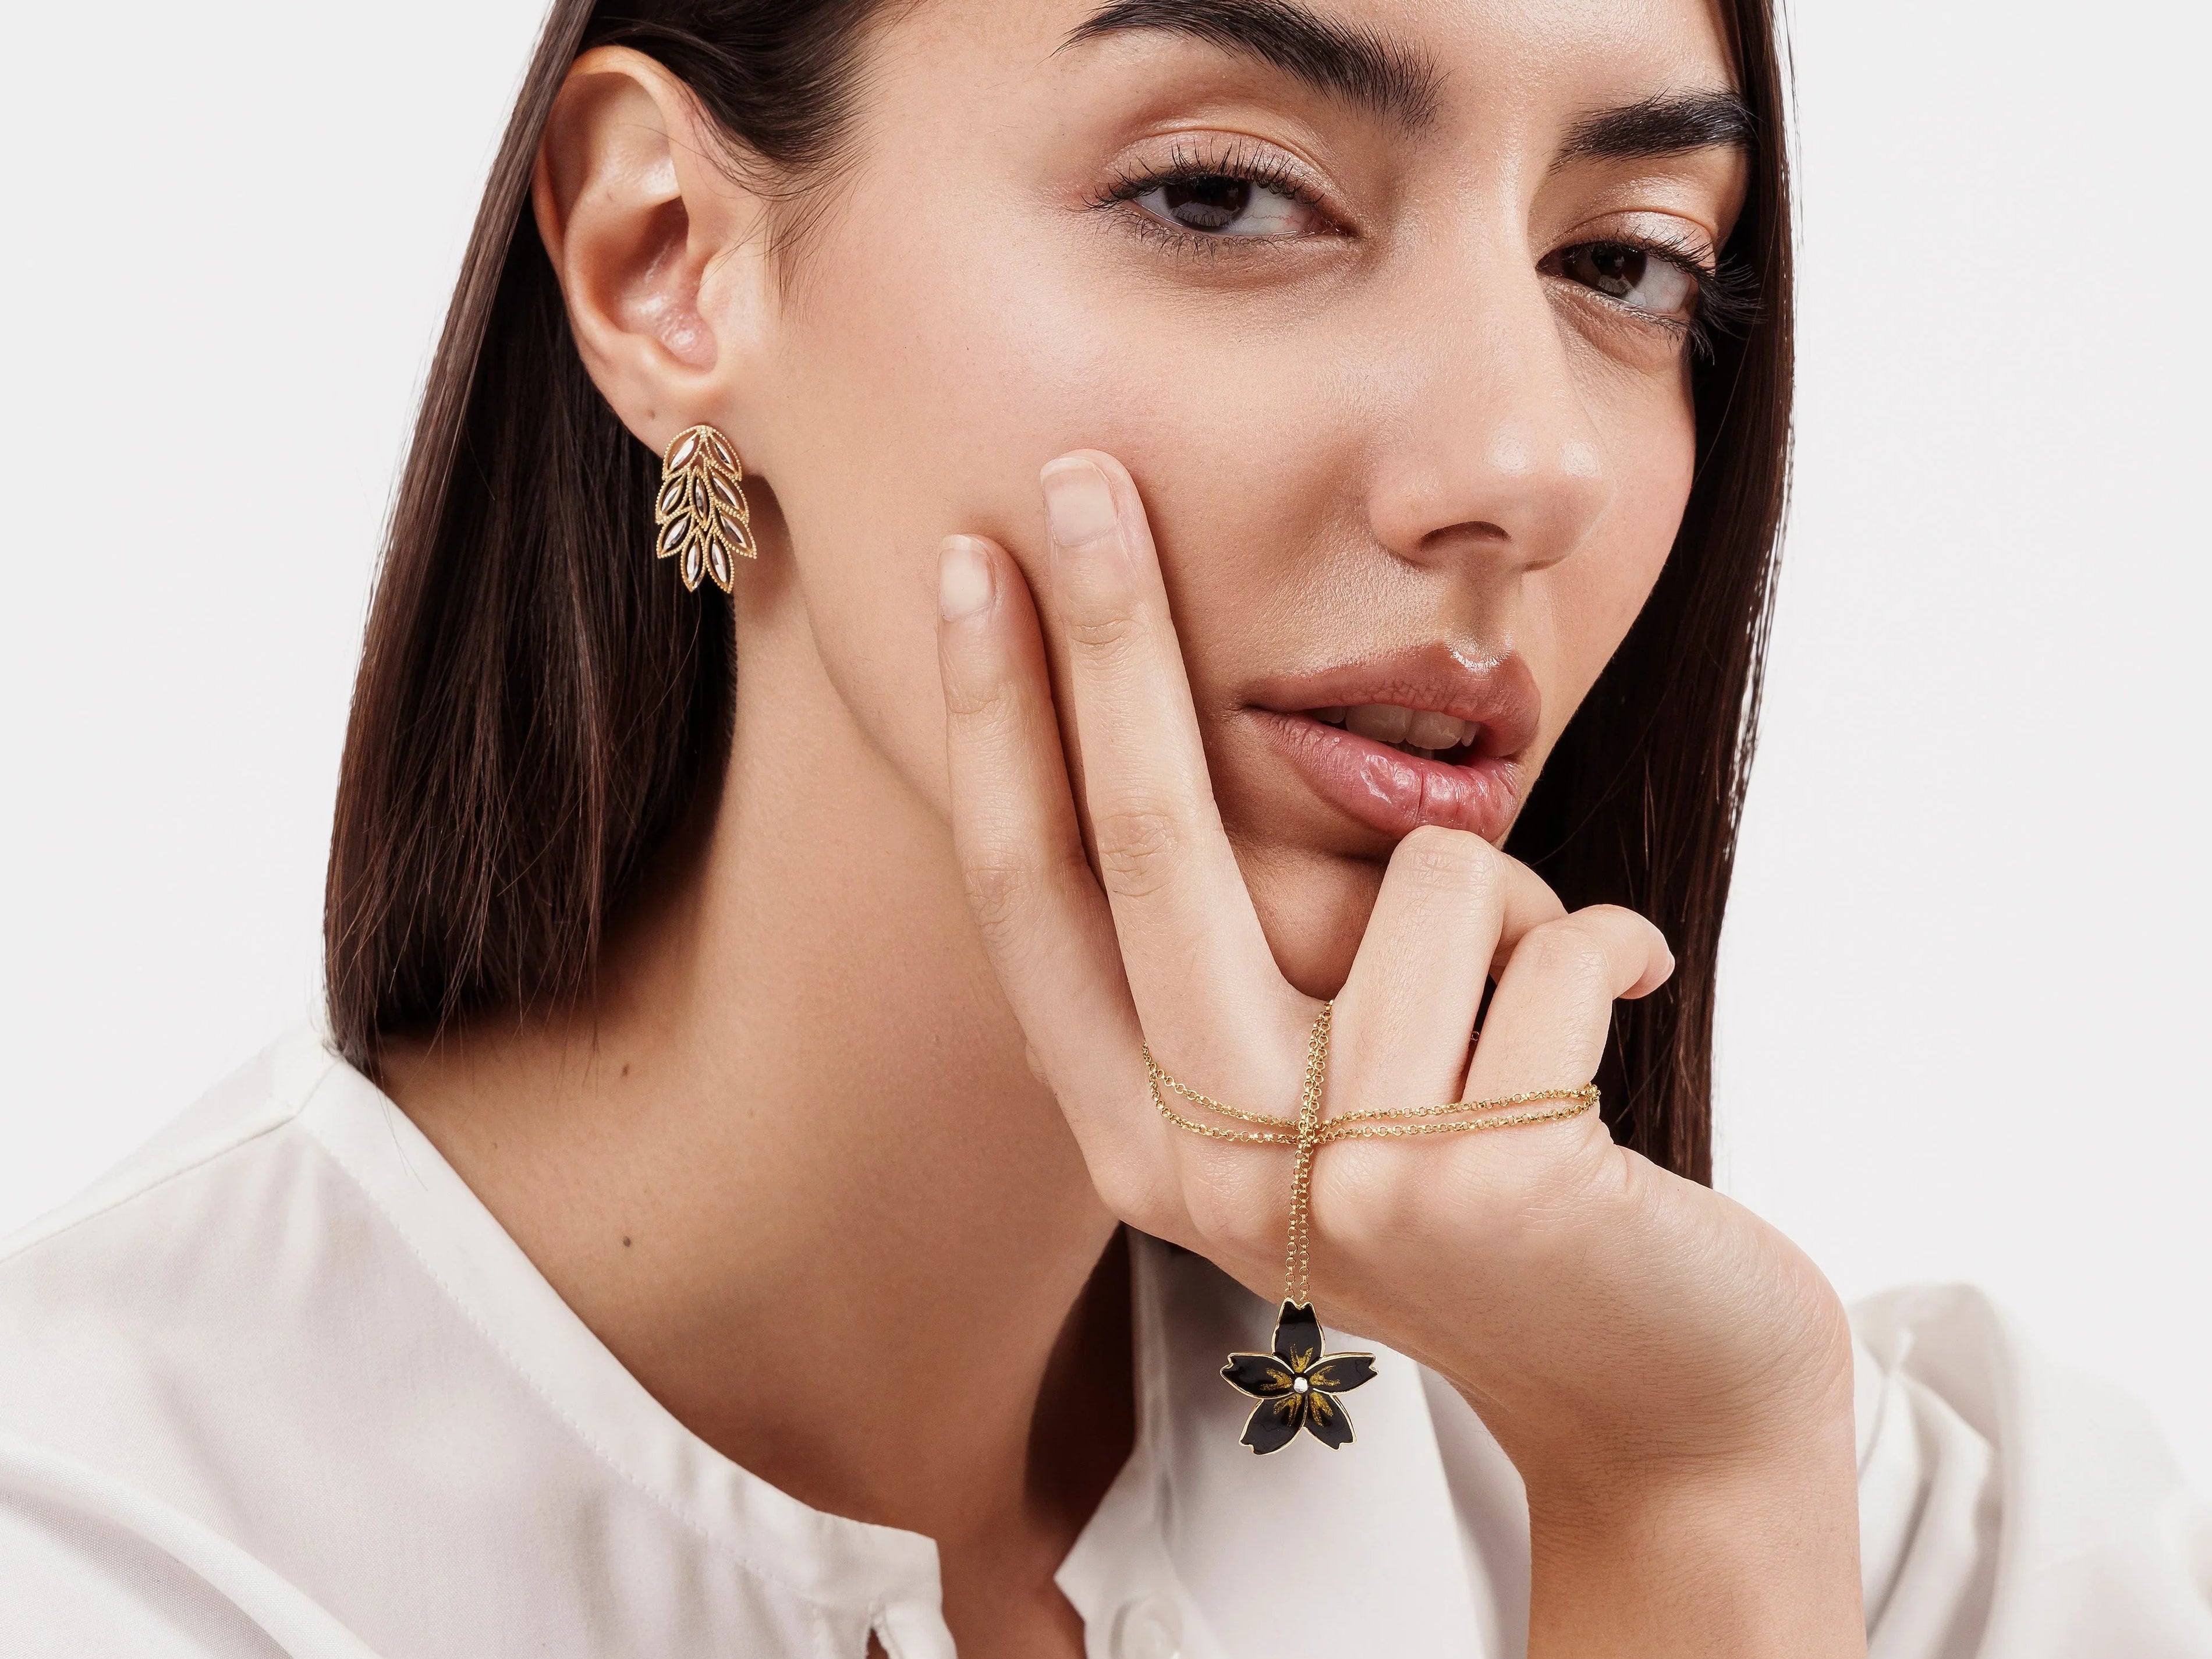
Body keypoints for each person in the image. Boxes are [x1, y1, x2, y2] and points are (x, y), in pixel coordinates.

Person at [2, 0, 2206, 1654]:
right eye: (1226, 194)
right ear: (668, 258)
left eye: (1626, 260)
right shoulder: (114, 1550)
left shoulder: (1821, 1489)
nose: (1522, 459)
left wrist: (1682, 1490)